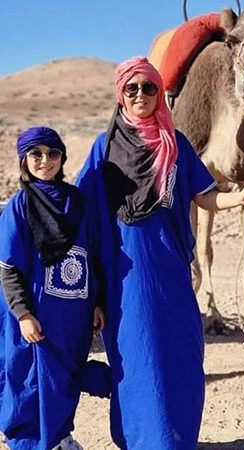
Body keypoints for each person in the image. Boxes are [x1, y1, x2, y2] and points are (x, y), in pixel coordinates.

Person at [76, 56, 244, 449]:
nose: (141, 95)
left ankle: (177, 439)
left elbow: (204, 196)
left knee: (181, 353)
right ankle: (143, 439)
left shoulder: (175, 143)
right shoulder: (103, 148)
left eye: (149, 87)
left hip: (171, 268)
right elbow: (82, 213)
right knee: (138, 356)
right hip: (124, 273)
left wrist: (240, 196)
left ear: (160, 92)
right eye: (132, 89)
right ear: (120, 95)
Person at [0, 127, 107, 450]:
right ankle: (28, 442)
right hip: (36, 313)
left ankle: (60, 437)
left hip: (73, 312)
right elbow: (8, 265)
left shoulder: (78, 203)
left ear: (62, 158)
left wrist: (98, 302)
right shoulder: (19, 206)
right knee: (30, 377)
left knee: (65, 375)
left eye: (53, 153)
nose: (45, 160)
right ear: (24, 160)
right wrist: (22, 313)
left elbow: (93, 255)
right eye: (36, 154)